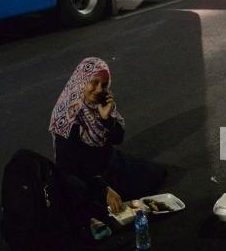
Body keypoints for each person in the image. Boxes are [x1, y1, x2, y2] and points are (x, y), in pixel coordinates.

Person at [49, 57, 166, 235]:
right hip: (84, 176)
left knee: (156, 175)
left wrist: (106, 119)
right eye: (93, 83)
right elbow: (67, 167)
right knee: (98, 208)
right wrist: (103, 188)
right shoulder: (66, 116)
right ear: (81, 82)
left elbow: (117, 138)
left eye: (103, 85)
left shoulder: (101, 105)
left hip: (109, 164)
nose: (98, 90)